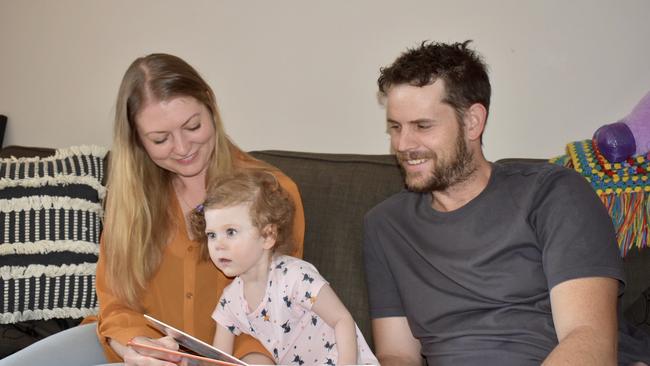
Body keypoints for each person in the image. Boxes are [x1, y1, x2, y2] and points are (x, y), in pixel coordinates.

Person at [0, 53, 304, 366]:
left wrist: (255, 359)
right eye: (160, 139)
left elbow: (276, 310)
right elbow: (115, 303)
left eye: (193, 126)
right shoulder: (129, 197)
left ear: (210, 105)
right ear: (138, 140)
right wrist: (132, 347)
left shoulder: (271, 193)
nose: (183, 149)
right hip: (125, 350)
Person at [363, 40, 650, 366]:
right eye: (395, 128)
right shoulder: (385, 225)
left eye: (422, 126)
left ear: (473, 121)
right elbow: (397, 353)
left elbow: (589, 340)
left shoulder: (554, 193)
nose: (403, 144)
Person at [188, 169, 378, 366]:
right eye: (212, 235)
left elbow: (342, 319)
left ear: (268, 236)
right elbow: (219, 360)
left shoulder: (296, 277)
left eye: (231, 232)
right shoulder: (230, 300)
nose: (218, 244)